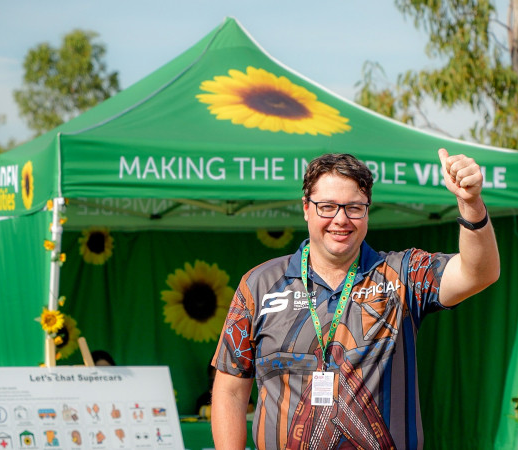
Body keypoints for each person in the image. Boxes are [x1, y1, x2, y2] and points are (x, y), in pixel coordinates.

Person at [211, 151, 500, 449]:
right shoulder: (259, 285)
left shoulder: (403, 275)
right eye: (327, 207)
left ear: (367, 211)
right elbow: (230, 390)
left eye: (354, 208)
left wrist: (471, 205)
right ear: (306, 209)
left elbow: (479, 272)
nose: (341, 219)